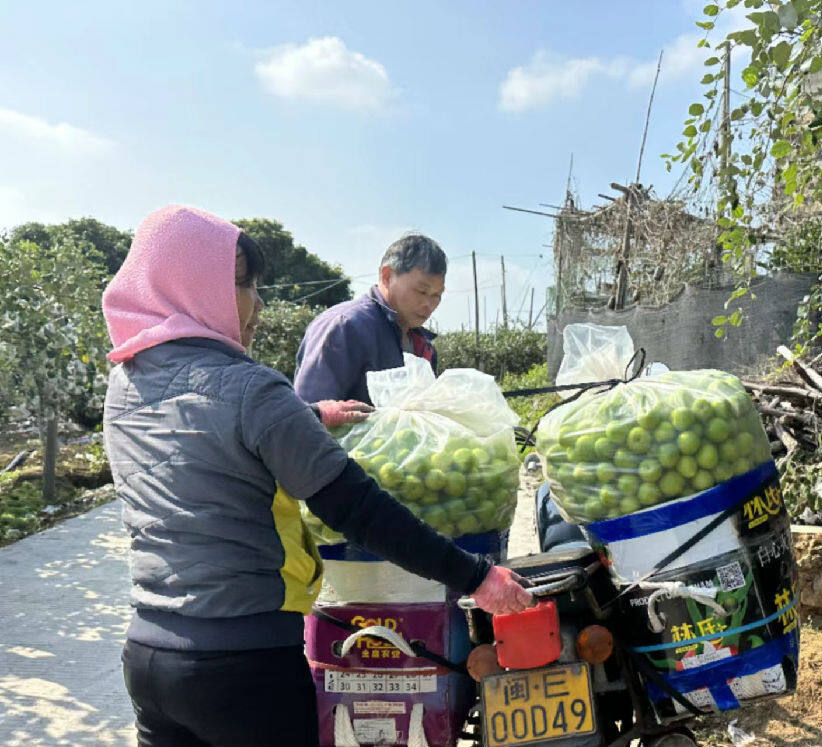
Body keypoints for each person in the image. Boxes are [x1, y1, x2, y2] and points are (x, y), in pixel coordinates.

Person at [102, 205, 531, 747]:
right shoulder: (253, 389)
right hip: (244, 665)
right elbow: (359, 509)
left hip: (147, 660)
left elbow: (206, 427)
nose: (257, 302)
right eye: (243, 284)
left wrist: (312, 416)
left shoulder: (125, 386)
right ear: (190, 285)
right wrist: (478, 578)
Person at [294, 233, 446, 405]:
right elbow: (309, 415)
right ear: (387, 276)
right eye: (421, 291)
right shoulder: (344, 326)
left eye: (437, 295)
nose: (428, 304)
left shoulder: (423, 346)